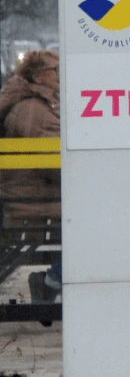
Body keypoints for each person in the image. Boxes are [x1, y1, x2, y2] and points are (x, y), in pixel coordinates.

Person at [0, 50, 62, 314]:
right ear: (38, 77)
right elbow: (56, 165)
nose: (61, 75)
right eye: (55, 70)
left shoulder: (35, 105)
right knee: (100, 220)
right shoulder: (34, 110)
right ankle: (51, 281)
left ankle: (52, 280)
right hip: (34, 202)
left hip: (34, 196)